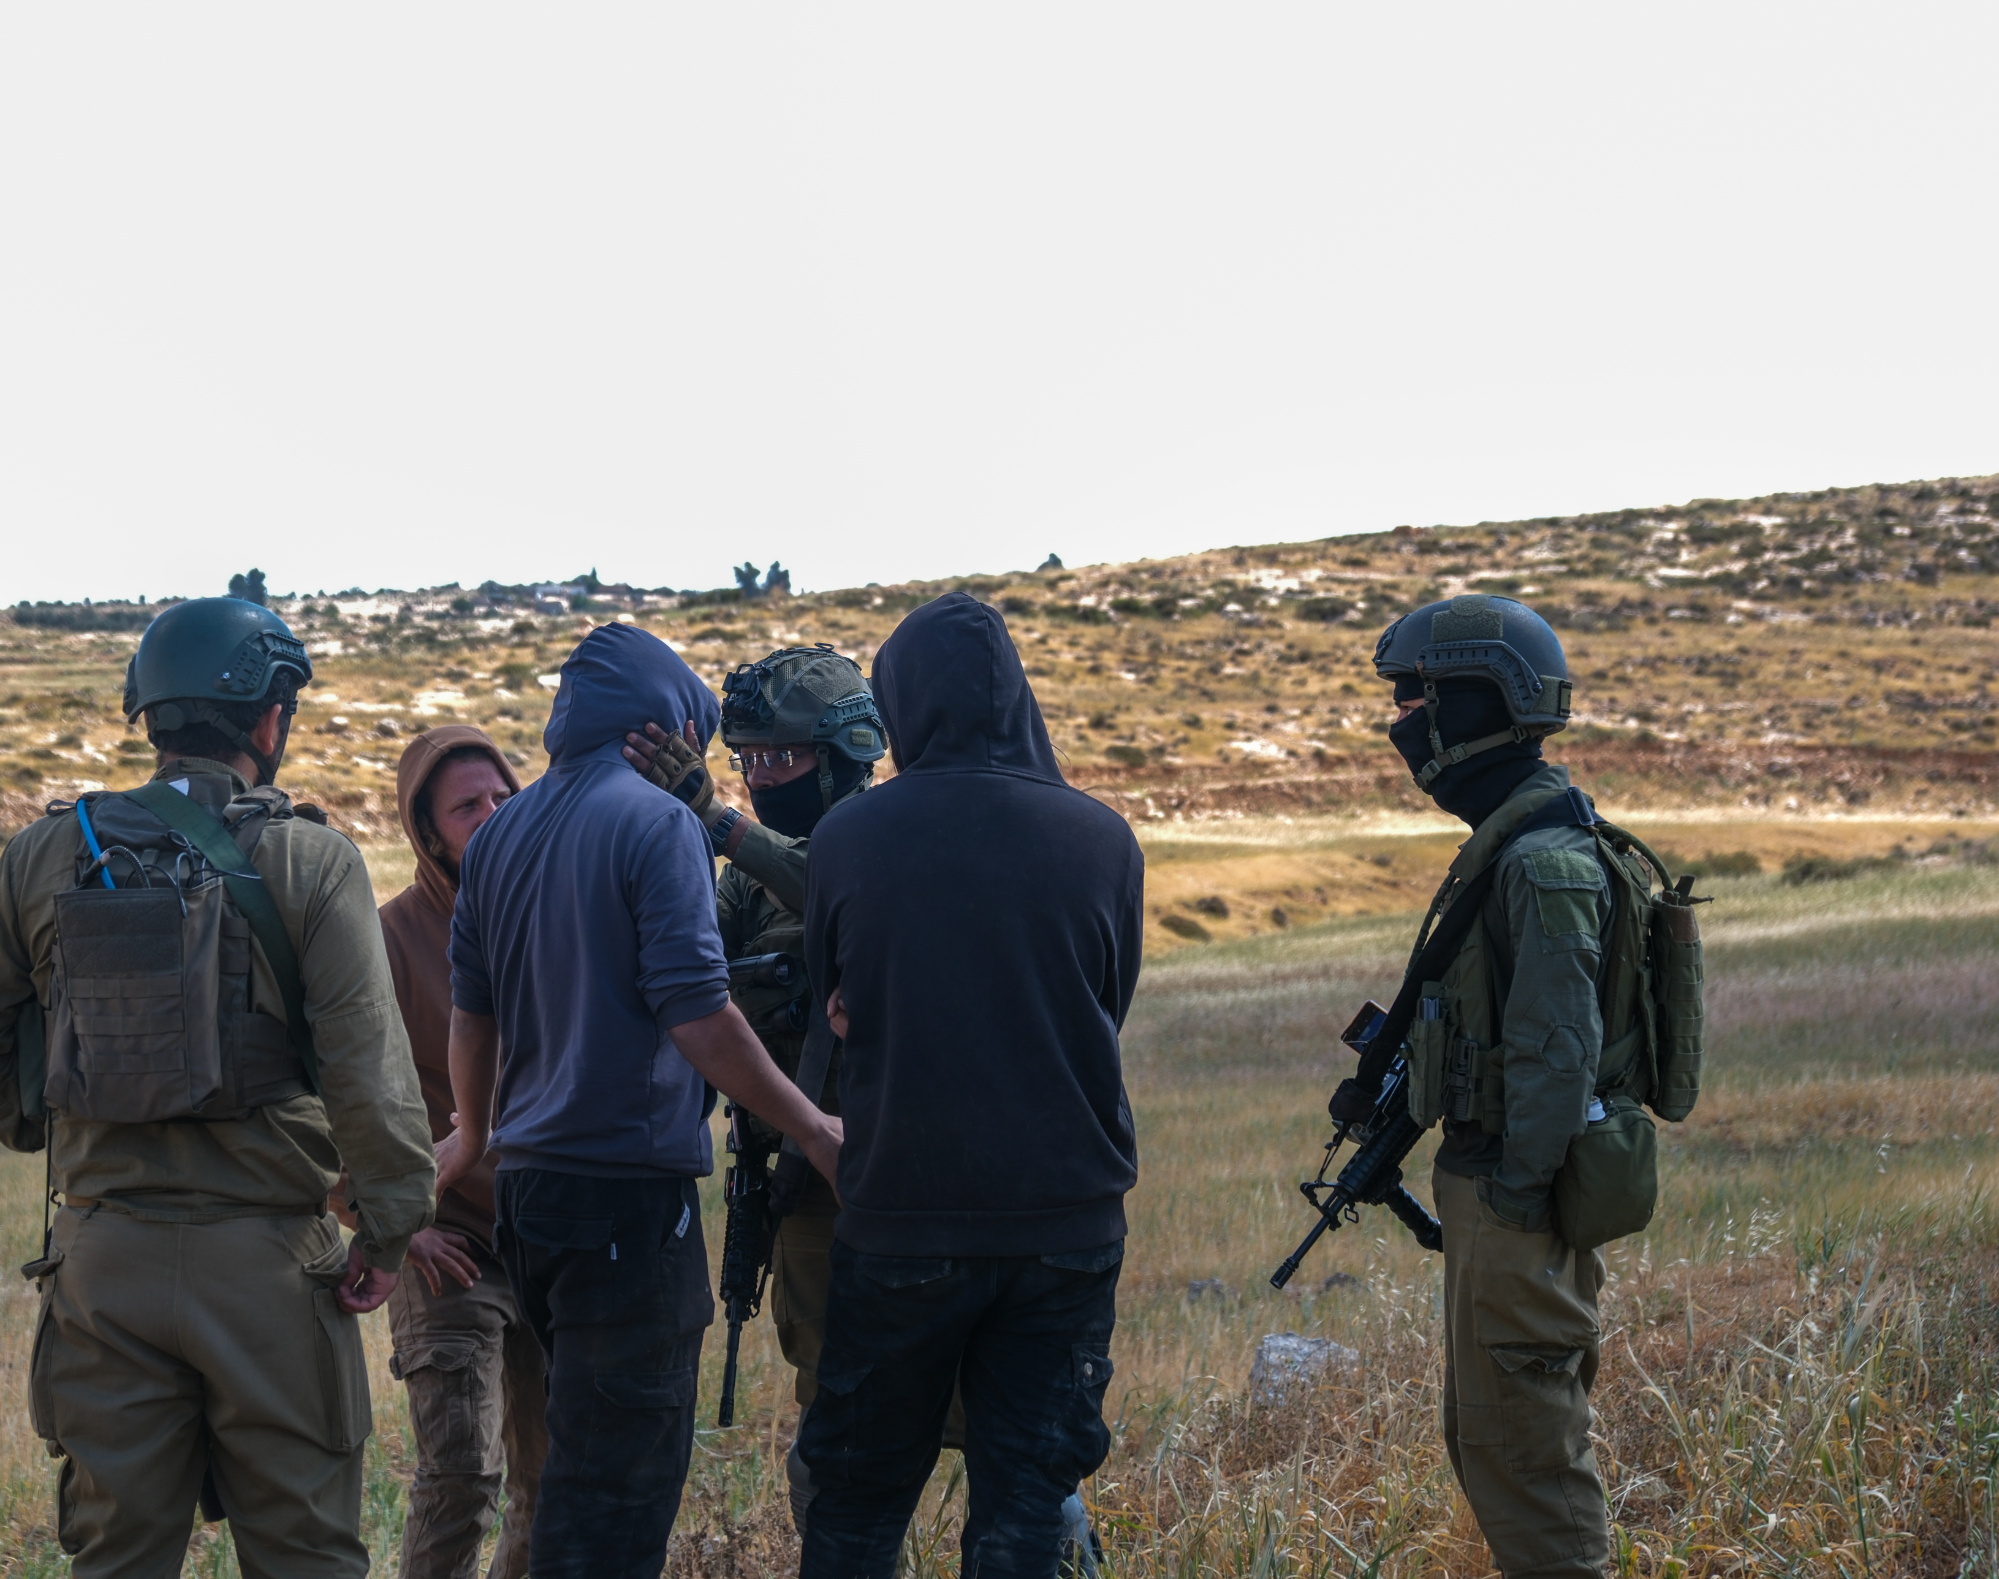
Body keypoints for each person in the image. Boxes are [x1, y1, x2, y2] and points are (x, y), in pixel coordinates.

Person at [0, 597, 435, 1578]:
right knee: (305, 1552)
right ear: (271, 716)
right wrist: (390, 1225)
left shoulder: (38, 855)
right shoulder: (311, 859)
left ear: (147, 713)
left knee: (115, 1557)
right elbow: (369, 1064)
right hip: (270, 1264)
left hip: (99, 1261)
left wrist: (36, 1117)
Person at [433, 622, 843, 1579]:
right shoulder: (658, 823)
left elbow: (471, 1011)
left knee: (571, 1460)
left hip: (527, 1199)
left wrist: (470, 1139)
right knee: (612, 1497)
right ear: (661, 729)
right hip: (623, 1200)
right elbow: (698, 1016)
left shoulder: (499, 836)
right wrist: (815, 1126)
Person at [795, 592, 1144, 1579]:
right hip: (1067, 1224)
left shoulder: (849, 838)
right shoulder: (1103, 837)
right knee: (1027, 1506)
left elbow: (838, 1005)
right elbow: (1104, 1008)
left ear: (898, 702)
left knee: (858, 1507)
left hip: (903, 1211)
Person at [1369, 592, 1614, 1578]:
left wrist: (1515, 1197)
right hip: (1491, 1188)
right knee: (1489, 1443)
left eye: (1421, 697)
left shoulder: (1542, 859)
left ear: (1480, 703)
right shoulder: (1512, 838)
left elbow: (1559, 1052)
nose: (1406, 724)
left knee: (1527, 1456)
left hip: (1515, 1191)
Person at [622, 644, 886, 1535]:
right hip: (802, 1179)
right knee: (831, 1401)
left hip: (904, 1171)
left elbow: (845, 892)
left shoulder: (890, 840)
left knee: (979, 1399)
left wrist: (723, 819)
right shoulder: (746, 881)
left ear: (845, 753)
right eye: (750, 760)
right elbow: (688, 966)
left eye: (784, 757)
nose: (764, 775)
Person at [375, 726, 545, 1579]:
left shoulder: (557, 912)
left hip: (552, 1233)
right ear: (427, 829)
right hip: (448, 1243)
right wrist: (398, 1227)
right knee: (461, 1476)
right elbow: (330, 1096)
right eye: (466, 806)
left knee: (548, 1481)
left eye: (502, 795)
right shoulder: (390, 937)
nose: (492, 814)